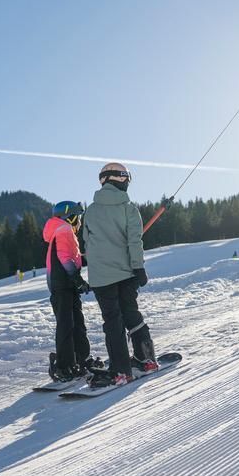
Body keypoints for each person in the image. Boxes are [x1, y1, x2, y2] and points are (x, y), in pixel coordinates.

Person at [83, 162, 158, 388]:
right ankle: (147, 359)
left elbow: (88, 243)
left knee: (113, 321)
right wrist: (138, 267)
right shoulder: (128, 208)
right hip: (126, 273)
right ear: (121, 179)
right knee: (131, 313)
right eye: (127, 179)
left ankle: (121, 370)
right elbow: (134, 241)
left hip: (101, 278)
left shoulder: (90, 211)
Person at [43, 201, 98, 381]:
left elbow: (72, 257)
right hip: (63, 286)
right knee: (67, 326)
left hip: (65, 286)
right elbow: (65, 258)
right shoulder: (64, 230)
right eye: (78, 217)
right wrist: (78, 280)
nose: (80, 222)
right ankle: (64, 367)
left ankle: (81, 360)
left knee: (76, 324)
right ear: (70, 217)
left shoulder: (61, 231)